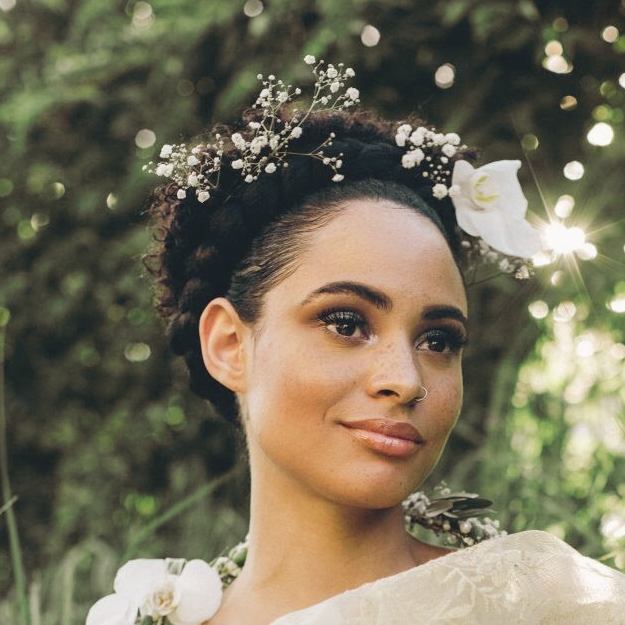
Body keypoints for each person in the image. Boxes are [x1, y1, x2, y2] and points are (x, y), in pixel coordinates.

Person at [86, 59, 625, 625]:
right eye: (346, 323)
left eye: (438, 340)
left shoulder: (550, 607)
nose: (406, 379)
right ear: (228, 345)